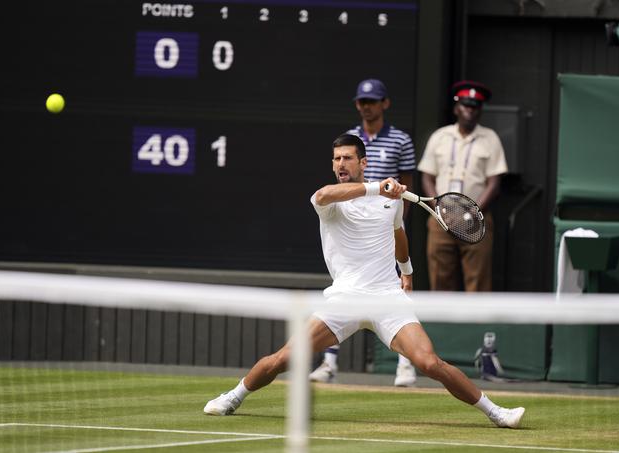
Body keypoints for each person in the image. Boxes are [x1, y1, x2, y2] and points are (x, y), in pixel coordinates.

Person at [203, 134, 525, 429]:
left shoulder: (392, 200)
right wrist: (376, 187)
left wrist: (408, 273)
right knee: (286, 357)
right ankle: (233, 397)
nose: (340, 164)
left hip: (387, 298)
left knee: (430, 362)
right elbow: (324, 194)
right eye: (336, 159)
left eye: (347, 158)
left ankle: (496, 412)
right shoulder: (330, 203)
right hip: (344, 298)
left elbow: (399, 234)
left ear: (363, 162)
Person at [310, 79, 418, 387]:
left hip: (384, 219)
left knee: (396, 298)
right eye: (361, 101)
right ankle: (329, 363)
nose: (366, 106)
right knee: (344, 288)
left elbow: (405, 178)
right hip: (350, 218)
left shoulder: (401, 139)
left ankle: (405, 366)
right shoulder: (350, 141)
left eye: (372, 101)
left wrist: (391, 221)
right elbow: (334, 190)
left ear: (384, 103)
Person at [418, 80, 507, 292]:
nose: (470, 111)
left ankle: (477, 325)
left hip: (477, 219)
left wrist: (473, 211)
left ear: (480, 110)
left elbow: (494, 183)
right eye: (466, 105)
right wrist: (440, 208)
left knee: (478, 279)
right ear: (457, 107)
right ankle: (443, 324)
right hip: (442, 219)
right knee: (440, 277)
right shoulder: (440, 137)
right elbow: (427, 177)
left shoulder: (490, 138)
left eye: (475, 107)